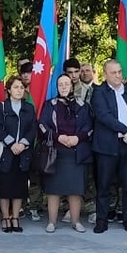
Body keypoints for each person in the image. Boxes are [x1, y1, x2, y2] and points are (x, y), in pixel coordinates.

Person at [91, 59, 127, 234]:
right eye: (113, 73)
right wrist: (124, 130)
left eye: (119, 72)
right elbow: (104, 116)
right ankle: (101, 221)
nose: (117, 75)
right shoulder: (99, 92)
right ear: (105, 74)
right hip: (107, 147)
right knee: (104, 185)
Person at [41, 73, 92, 233]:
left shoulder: (82, 105)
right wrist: (58, 137)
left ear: (72, 86)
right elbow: (42, 125)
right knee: (54, 190)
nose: (63, 87)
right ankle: (52, 222)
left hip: (76, 152)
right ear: (57, 87)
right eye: (60, 84)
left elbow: (89, 126)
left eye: (66, 84)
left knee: (75, 190)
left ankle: (76, 222)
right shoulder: (50, 104)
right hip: (56, 152)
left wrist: (77, 138)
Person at [0, 76, 36, 233]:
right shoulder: (0, 107)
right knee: (5, 188)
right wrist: (12, 144)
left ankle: (15, 217)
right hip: (6, 153)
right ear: (8, 90)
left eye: (22, 87)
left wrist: (22, 143)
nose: (19, 90)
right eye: (15, 87)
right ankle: (5, 217)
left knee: (19, 188)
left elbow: (32, 129)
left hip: (23, 153)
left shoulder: (29, 108)